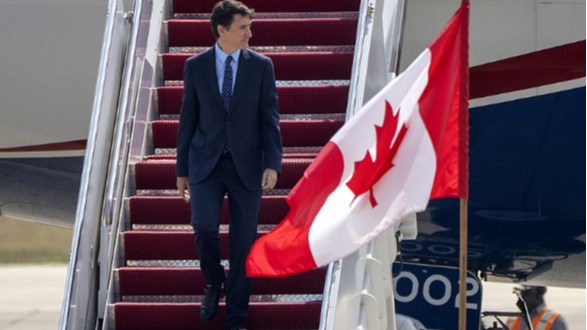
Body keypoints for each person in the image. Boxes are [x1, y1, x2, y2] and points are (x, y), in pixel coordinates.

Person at [175, 1, 282, 329]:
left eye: (249, 27)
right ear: (222, 30)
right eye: (243, 28)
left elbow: (269, 117)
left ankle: (236, 315)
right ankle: (214, 282)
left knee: (242, 243)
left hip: (247, 165)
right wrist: (182, 170)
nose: (250, 33)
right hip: (205, 163)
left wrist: (273, 163)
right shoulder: (195, 66)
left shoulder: (261, 66)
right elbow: (187, 119)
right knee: (203, 226)